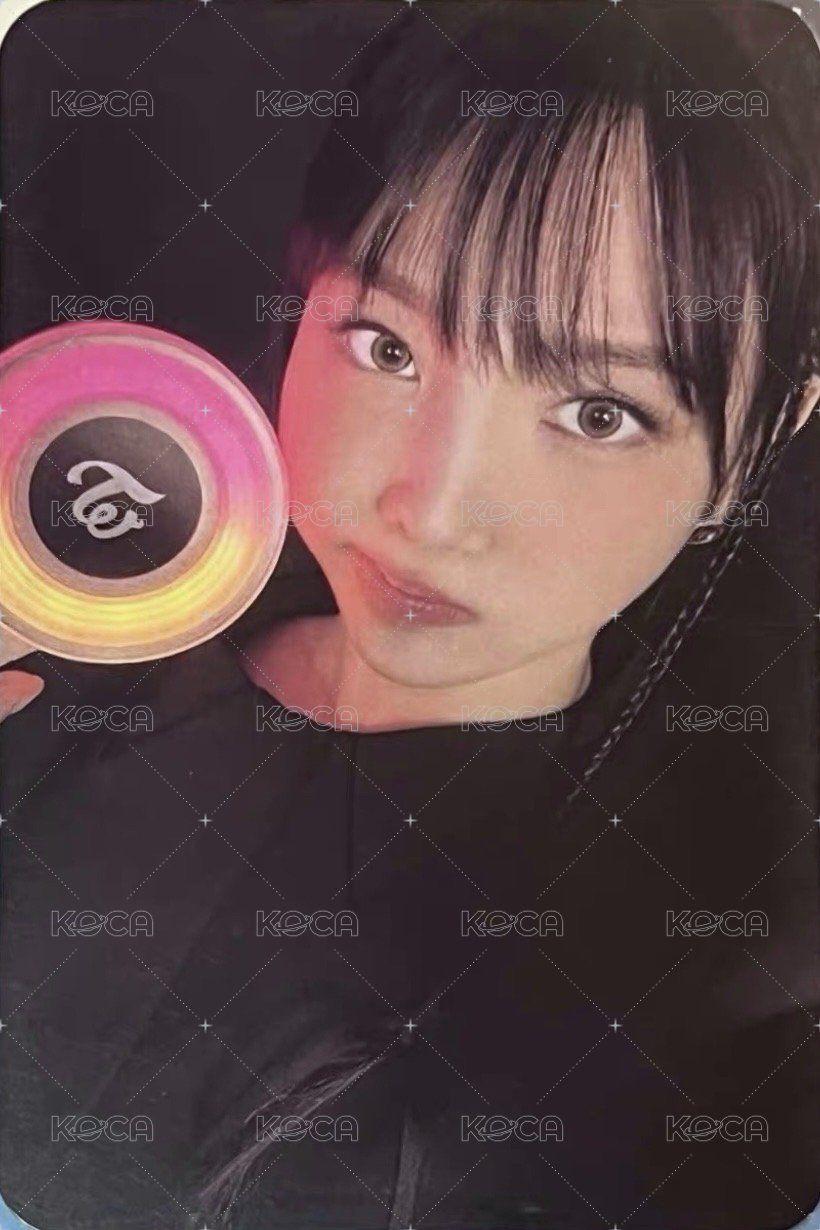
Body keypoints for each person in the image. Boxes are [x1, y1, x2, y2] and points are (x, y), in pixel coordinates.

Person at [1, 3, 818, 1228]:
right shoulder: (81, 615)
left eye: (597, 413)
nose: (428, 511)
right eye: (384, 346)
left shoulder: (709, 1020)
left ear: (758, 445)